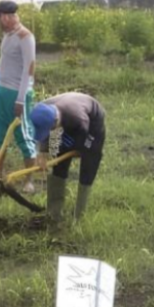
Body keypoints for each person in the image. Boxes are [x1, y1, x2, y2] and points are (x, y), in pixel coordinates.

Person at [30, 93, 106, 222]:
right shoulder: (41, 110)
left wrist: (79, 149)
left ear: (55, 122)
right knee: (59, 165)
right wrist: (42, 154)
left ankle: (79, 217)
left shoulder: (77, 118)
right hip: (67, 119)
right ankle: (54, 212)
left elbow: (84, 135)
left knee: (89, 163)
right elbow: (44, 134)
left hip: (92, 124)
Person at [0, 0, 37, 191]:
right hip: (1, 91)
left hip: (18, 93)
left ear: (8, 17)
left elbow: (29, 69)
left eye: (0, 17)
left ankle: (29, 181)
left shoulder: (25, 36)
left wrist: (20, 99)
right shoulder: (7, 35)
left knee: (24, 135)